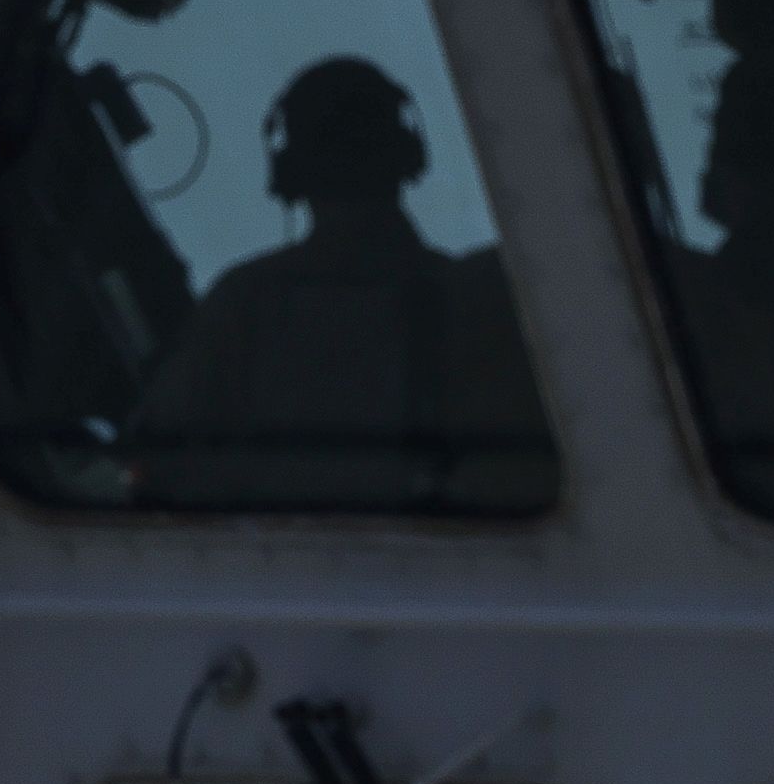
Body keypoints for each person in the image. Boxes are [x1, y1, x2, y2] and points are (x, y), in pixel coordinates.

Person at [133, 56, 543, 491]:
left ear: (291, 169)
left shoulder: (244, 303)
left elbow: (159, 457)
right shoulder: (483, 299)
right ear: (406, 152)